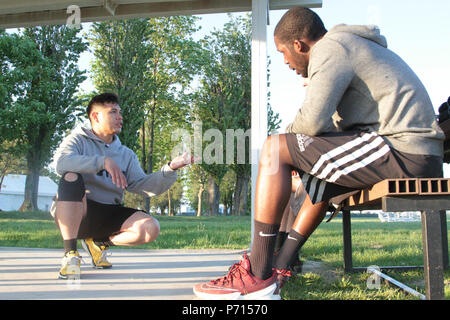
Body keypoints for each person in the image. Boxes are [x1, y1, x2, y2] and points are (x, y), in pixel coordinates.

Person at [193, 7, 444, 300]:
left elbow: (311, 123)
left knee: (275, 149)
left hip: (404, 149)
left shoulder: (331, 48)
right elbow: (331, 130)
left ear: (299, 45)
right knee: (315, 172)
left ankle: (258, 275)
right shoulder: (343, 47)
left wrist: (291, 145)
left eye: (284, 52)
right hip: (403, 149)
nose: (286, 61)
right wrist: (303, 149)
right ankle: (278, 267)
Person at [51, 92, 194, 280]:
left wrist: (170, 168)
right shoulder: (77, 140)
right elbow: (60, 163)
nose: (120, 117)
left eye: (120, 112)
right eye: (113, 112)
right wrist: (103, 162)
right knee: (70, 177)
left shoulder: (126, 154)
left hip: (110, 211)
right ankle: (70, 255)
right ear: (95, 116)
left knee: (150, 228)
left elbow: (142, 186)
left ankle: (99, 243)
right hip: (80, 210)